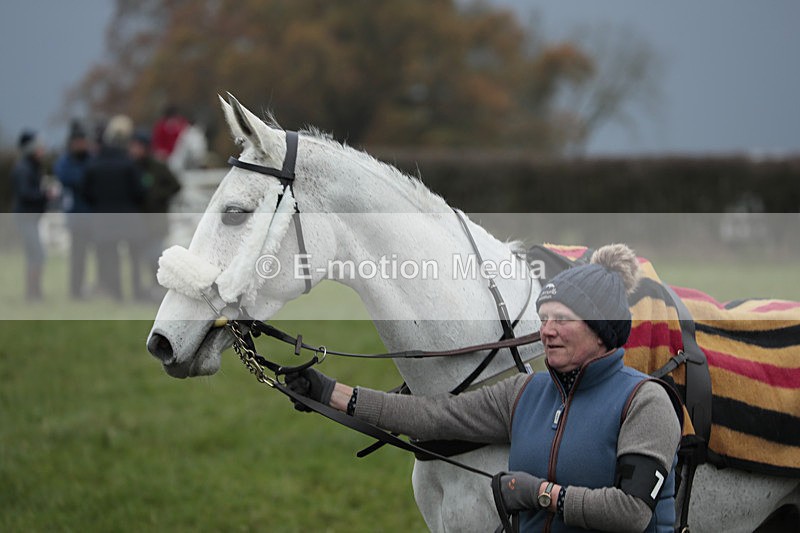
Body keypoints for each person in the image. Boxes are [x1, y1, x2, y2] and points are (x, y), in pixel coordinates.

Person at [285, 244, 683, 532]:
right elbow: (433, 416)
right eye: (544, 318)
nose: (546, 331)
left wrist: (541, 494)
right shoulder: (526, 393)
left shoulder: (645, 402)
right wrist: (330, 393)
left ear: (602, 327)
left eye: (562, 319)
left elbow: (631, 512)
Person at [82, 115, 145, 300]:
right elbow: (139, 191)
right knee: (134, 258)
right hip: (128, 216)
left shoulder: (94, 165)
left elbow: (86, 192)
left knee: (110, 259)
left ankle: (116, 293)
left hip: (104, 217)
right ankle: (137, 291)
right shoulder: (128, 164)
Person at [129, 129, 181, 300]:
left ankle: (157, 291)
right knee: (135, 260)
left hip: (155, 222)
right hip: (136, 223)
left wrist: (157, 196)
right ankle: (137, 293)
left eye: (137, 146)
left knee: (154, 259)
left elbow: (175, 186)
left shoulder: (158, 167)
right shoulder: (130, 168)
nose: (134, 150)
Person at [10, 129, 52, 301]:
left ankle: (34, 293)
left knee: (33, 255)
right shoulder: (23, 169)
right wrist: (45, 194)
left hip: (30, 218)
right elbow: (25, 193)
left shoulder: (31, 167)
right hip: (26, 218)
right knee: (38, 254)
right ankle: (33, 294)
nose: (42, 151)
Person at [54, 121, 94, 299]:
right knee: (77, 255)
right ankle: (75, 289)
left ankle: (88, 287)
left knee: (92, 255)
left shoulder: (90, 159)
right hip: (76, 216)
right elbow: (70, 178)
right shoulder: (66, 162)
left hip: (90, 214)